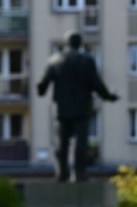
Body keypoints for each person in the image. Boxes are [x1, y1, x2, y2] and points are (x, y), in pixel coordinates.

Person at [37, 31, 119, 182]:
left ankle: (62, 174)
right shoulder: (87, 60)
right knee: (80, 142)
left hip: (61, 108)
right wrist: (109, 96)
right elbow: (96, 84)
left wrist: (40, 89)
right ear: (80, 43)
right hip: (82, 107)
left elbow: (43, 83)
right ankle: (79, 174)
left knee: (62, 141)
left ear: (66, 43)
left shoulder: (54, 60)